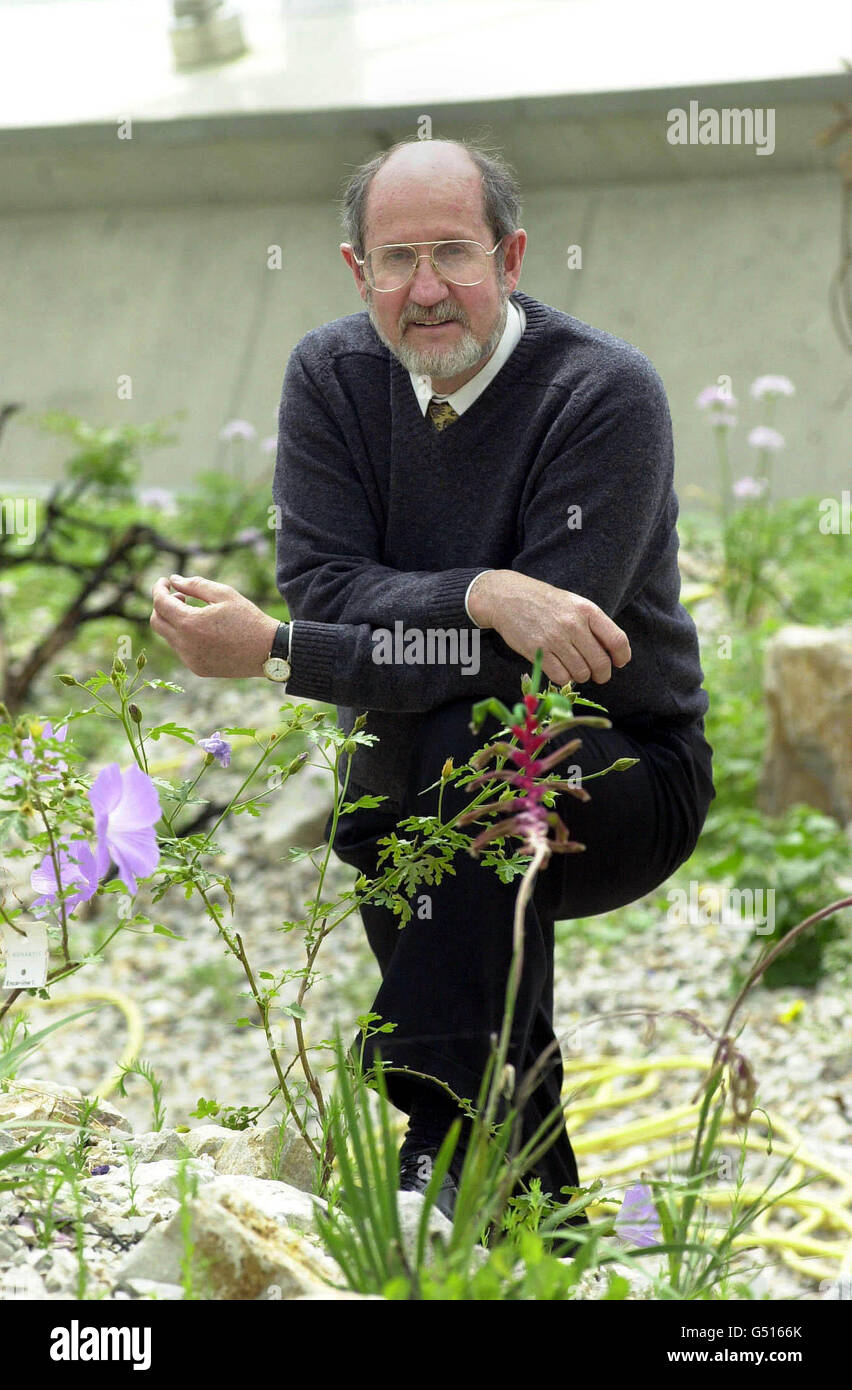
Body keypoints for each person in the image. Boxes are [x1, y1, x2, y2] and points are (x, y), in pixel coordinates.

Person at [149, 136, 716, 1243]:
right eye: (396, 259)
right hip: (426, 761)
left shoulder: (603, 393)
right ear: (358, 272)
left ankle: (436, 1136)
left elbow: (530, 669)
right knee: (401, 775)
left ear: (508, 255)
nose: (426, 289)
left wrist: (283, 650)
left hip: (622, 771)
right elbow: (322, 581)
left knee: (468, 737)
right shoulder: (332, 378)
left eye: (452, 254)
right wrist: (486, 590)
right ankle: (535, 1215)